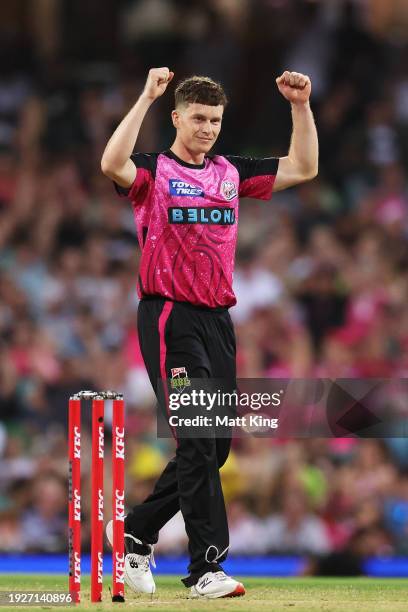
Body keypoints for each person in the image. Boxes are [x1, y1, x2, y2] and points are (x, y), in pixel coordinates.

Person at [101, 67, 318, 599]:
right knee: (197, 438)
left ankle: (135, 533)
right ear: (177, 117)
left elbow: (304, 167)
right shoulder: (154, 172)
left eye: (215, 120)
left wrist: (300, 106)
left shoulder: (229, 172)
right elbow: (111, 163)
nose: (207, 128)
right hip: (170, 315)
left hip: (218, 320)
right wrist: (146, 96)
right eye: (197, 118)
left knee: (214, 448)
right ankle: (205, 568)